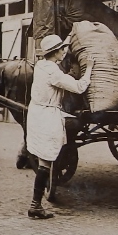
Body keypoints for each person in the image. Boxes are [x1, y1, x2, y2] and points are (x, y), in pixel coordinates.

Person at [25, 34, 92, 219]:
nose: (65, 51)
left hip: (37, 113)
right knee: (46, 160)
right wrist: (89, 70)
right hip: (47, 116)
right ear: (56, 53)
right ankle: (35, 205)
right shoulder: (53, 72)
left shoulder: (41, 66)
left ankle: (35, 204)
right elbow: (79, 87)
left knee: (43, 159)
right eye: (62, 49)